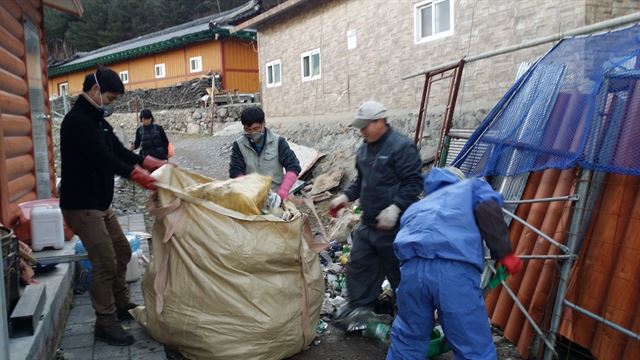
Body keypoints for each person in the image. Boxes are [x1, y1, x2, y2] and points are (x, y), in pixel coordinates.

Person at [59, 67, 167, 346]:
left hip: (100, 204)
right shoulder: (77, 121)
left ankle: (121, 304)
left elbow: (117, 150)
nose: (111, 103)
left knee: (120, 251)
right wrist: (135, 175)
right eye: (110, 97)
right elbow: (101, 157)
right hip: (82, 205)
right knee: (105, 261)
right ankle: (105, 322)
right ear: (94, 90)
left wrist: (147, 162)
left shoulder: (97, 121)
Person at [386, 167, 523, 360]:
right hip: (453, 272)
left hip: (411, 273)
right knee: (473, 346)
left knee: (407, 341)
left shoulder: (418, 207)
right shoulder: (470, 187)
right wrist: (504, 253)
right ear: (459, 180)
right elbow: (487, 207)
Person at [329, 100, 423, 322]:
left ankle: (409, 316)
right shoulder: (364, 149)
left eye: (365, 126)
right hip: (370, 223)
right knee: (359, 267)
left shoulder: (401, 147)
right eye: (360, 127)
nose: (362, 131)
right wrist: (345, 197)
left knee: (398, 271)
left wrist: (395, 208)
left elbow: (414, 183)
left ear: (380, 121)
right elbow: (362, 180)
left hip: (395, 227)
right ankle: (362, 310)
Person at [229, 106, 301, 200]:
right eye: (248, 130)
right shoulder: (239, 145)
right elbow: (235, 171)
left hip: (276, 196)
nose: (252, 133)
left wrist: (283, 191)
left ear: (264, 123)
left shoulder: (278, 142)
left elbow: (293, 166)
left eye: (256, 128)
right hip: (251, 198)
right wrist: (246, 190)